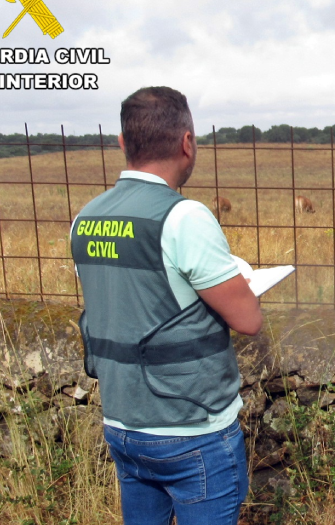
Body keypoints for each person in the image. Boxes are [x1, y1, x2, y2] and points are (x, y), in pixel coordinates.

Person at [70, 86, 262, 525]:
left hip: (123, 425)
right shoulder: (184, 217)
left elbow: (128, 302)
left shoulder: (85, 219)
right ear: (187, 143)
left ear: (123, 143)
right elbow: (248, 320)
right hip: (192, 429)